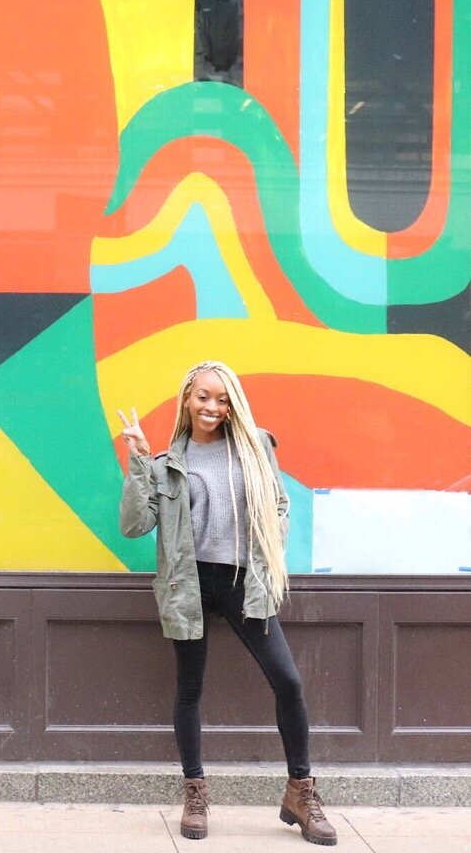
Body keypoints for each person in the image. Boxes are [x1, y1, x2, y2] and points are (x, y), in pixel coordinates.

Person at [118, 361, 337, 846]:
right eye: (202, 397)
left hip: (244, 580)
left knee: (288, 681)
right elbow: (135, 525)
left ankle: (301, 791)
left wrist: (270, 541)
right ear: (187, 399)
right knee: (190, 689)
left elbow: (279, 504)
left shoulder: (255, 447)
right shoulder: (166, 463)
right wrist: (136, 460)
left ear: (232, 401)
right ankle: (194, 791)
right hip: (190, 583)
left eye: (221, 398)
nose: (212, 407)